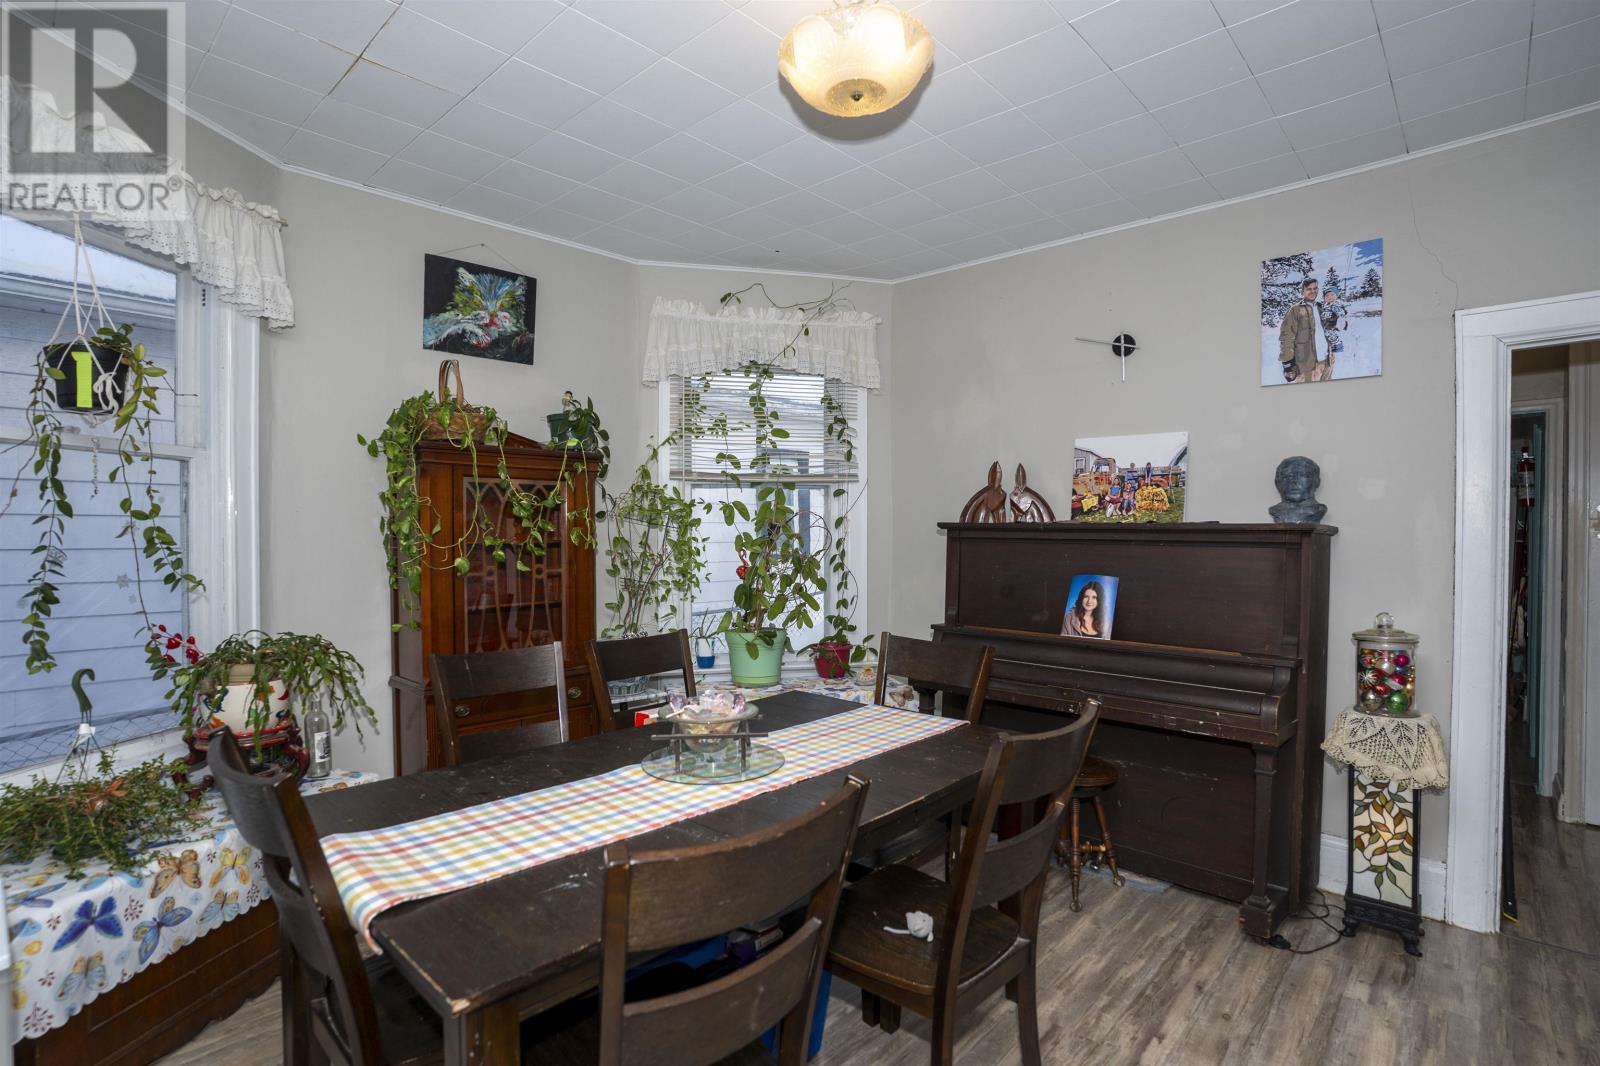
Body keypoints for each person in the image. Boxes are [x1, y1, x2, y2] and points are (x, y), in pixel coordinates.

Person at [1278, 277, 1322, 383]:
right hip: (1305, 365)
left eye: (1315, 288)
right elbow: (1286, 336)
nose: (1313, 291)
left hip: (1325, 362)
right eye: (1309, 289)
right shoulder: (1295, 310)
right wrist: (1288, 364)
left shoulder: (1322, 308)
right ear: (1302, 291)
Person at [1316, 285, 1347, 382]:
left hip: (1330, 326)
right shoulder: (1324, 305)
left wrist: (1337, 322)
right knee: (1327, 334)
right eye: (1327, 295)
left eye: (1332, 295)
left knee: (1330, 334)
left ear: (1336, 296)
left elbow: (1342, 318)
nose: (1329, 297)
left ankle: (1336, 343)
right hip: (1324, 327)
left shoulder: (1335, 305)